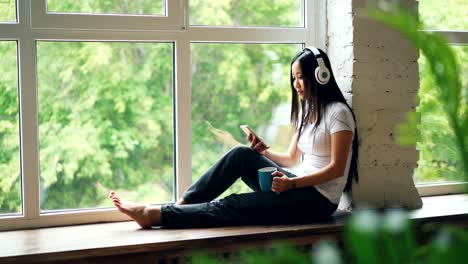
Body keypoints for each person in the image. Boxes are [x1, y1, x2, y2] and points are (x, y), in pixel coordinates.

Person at [109, 47, 359, 229]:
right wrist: (263, 152)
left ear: (320, 76)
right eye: (293, 78)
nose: (296, 84)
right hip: (297, 185)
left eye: (301, 77)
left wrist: (292, 184)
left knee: (234, 204)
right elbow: (291, 159)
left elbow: (336, 169)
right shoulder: (306, 111)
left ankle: (154, 214)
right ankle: (181, 205)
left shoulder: (338, 113)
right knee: (241, 154)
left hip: (318, 201)